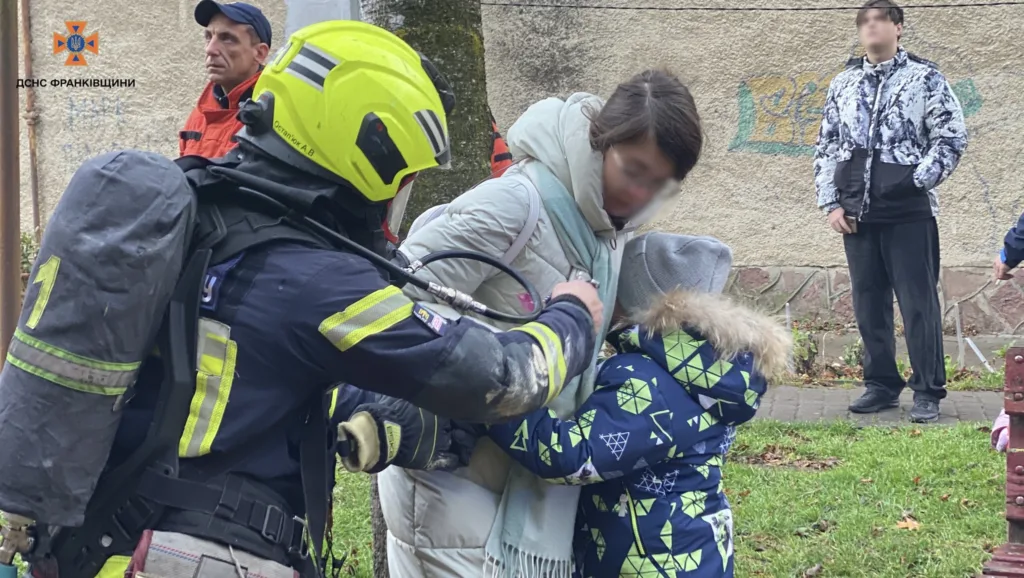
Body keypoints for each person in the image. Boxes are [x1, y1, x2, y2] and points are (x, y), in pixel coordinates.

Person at [0, 21, 603, 578]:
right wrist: (572, 314)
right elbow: (498, 378)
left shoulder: (202, 219)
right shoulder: (317, 279)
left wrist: (385, 426)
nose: (404, 193)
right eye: (404, 175)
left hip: (108, 540)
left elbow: (250, 369)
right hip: (201, 555)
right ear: (368, 151)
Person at [378, 69, 704, 578]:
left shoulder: (605, 229)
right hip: (453, 479)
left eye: (661, 184)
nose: (641, 194)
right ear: (602, 141)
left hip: (516, 486)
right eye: (633, 170)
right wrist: (486, 376)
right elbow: (396, 296)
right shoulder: (516, 204)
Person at [342, 233, 792, 578]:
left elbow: (569, 453)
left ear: (637, 302)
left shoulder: (651, 381)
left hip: (651, 562)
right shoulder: (710, 374)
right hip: (687, 552)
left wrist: (496, 394)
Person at [812, 0, 968, 423]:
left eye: (880, 19)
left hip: (909, 214)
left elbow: (951, 137)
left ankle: (927, 391)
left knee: (918, 305)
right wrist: (830, 203)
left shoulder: (926, 78)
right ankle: (880, 385)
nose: (871, 26)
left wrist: (915, 181)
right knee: (868, 304)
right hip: (856, 215)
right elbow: (826, 147)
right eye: (864, 21)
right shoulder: (843, 84)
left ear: (898, 28)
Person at [178, 0, 272, 158]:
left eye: (227, 39)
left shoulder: (274, 116)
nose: (210, 49)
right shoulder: (200, 113)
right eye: (208, 37)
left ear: (259, 53)